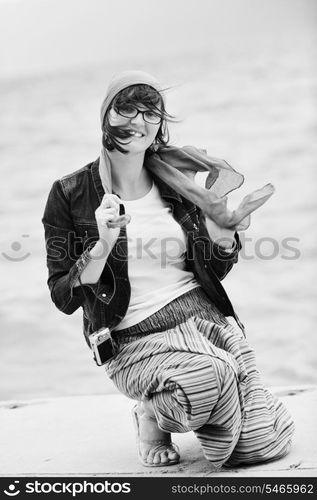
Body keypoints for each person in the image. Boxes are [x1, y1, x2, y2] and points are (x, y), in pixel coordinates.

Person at [42, 70, 294, 470]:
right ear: (107, 115)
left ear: (160, 124)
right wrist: (103, 243)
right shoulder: (70, 192)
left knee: (259, 449)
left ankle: (220, 392)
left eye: (151, 111)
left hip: (205, 322)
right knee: (210, 376)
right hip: (132, 340)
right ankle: (152, 416)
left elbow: (213, 270)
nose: (139, 121)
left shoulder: (179, 184)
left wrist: (222, 235)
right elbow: (63, 295)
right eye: (127, 108)